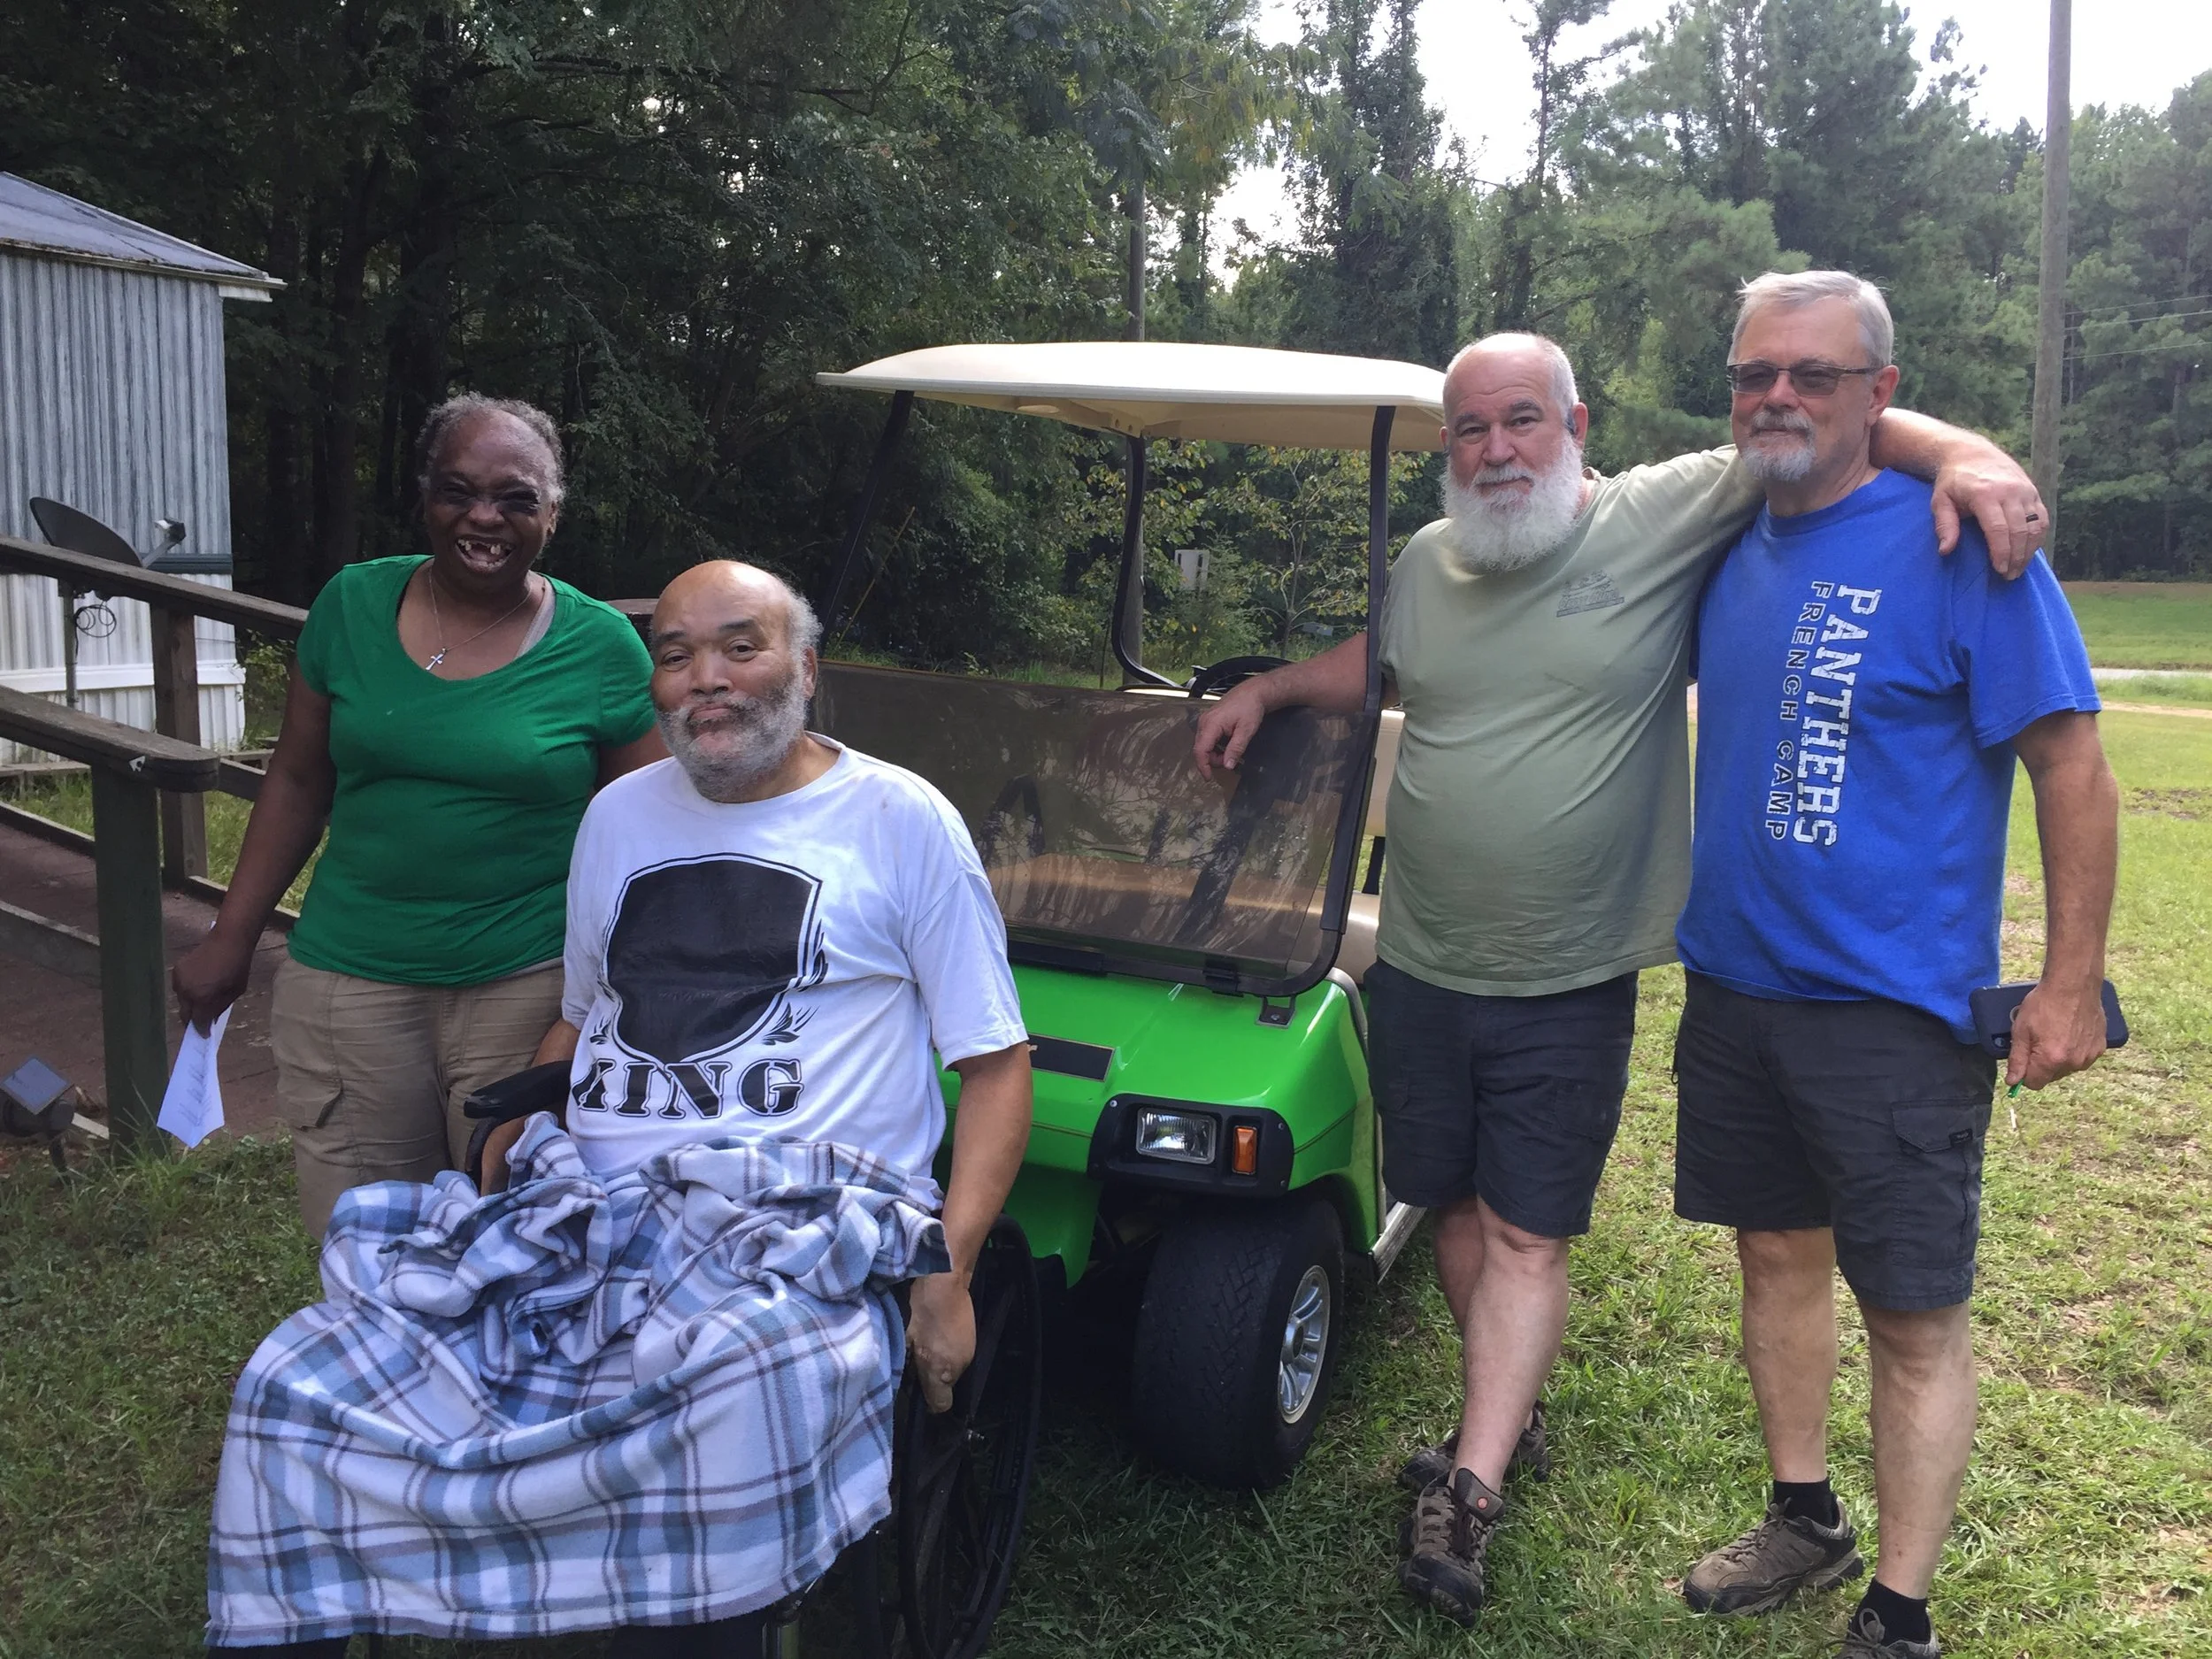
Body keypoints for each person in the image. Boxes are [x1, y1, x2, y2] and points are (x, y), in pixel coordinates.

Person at [1190, 333, 2047, 1626]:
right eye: (1469, 430)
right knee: (1456, 1206)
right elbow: (1384, 660)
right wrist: (1269, 686)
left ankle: (1469, 1484)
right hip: (1420, 957)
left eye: (1521, 420)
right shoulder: (1434, 558)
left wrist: (1967, 452)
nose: (1495, 450)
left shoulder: (1658, 516)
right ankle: (1507, 1404)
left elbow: (1808, 416)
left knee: (1530, 1225)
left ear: (1576, 422)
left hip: (1571, 971)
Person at [203, 560, 1033, 1655]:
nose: (707, 680)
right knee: (296, 1380)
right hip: (594, 1205)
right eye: (677, 655)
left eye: (741, 647)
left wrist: (952, 1269)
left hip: (792, 1216)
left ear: (806, 669)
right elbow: (584, 1017)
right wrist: (512, 1138)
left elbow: (995, 1065)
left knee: (730, 1376)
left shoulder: (898, 820)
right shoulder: (618, 817)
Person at [1671, 271, 2115, 1659]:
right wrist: (1959, 446)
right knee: (1774, 1255)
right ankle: (1804, 1514)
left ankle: (1900, 1612)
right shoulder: (1725, 528)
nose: (1779, 396)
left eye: (1812, 373)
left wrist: (2066, 982)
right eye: (1755, 373)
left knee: (1914, 1314)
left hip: (1897, 1009)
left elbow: (2072, 762)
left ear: (1884, 389)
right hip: (1738, 989)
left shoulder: (1965, 547)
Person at [172, 395, 664, 1235]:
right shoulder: (350, 607)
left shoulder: (602, 647)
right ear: (424, 495)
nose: (484, 517)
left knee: (510, 1237)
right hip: (351, 983)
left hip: (525, 984)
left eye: (516, 498)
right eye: (458, 490)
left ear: (553, 514)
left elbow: (648, 833)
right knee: (368, 1242)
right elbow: (296, 778)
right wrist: (231, 934)